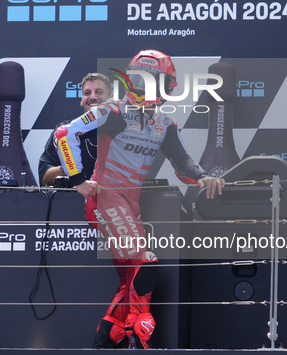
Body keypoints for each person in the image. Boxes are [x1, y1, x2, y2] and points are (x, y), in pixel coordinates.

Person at [56, 50, 224, 349]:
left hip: (130, 206)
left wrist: (203, 177)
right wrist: (78, 180)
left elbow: (183, 164)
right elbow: (64, 134)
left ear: (168, 87)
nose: (147, 87)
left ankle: (106, 342)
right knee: (145, 264)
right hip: (106, 200)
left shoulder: (165, 124)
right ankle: (138, 334)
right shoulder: (113, 110)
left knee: (130, 279)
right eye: (140, 79)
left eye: (156, 81)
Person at [38, 73, 111, 186]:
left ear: (111, 99)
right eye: (87, 93)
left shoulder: (124, 130)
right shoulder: (64, 131)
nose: (92, 97)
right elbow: (44, 178)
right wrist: (71, 167)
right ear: (82, 100)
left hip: (116, 200)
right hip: (74, 200)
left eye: (99, 92)